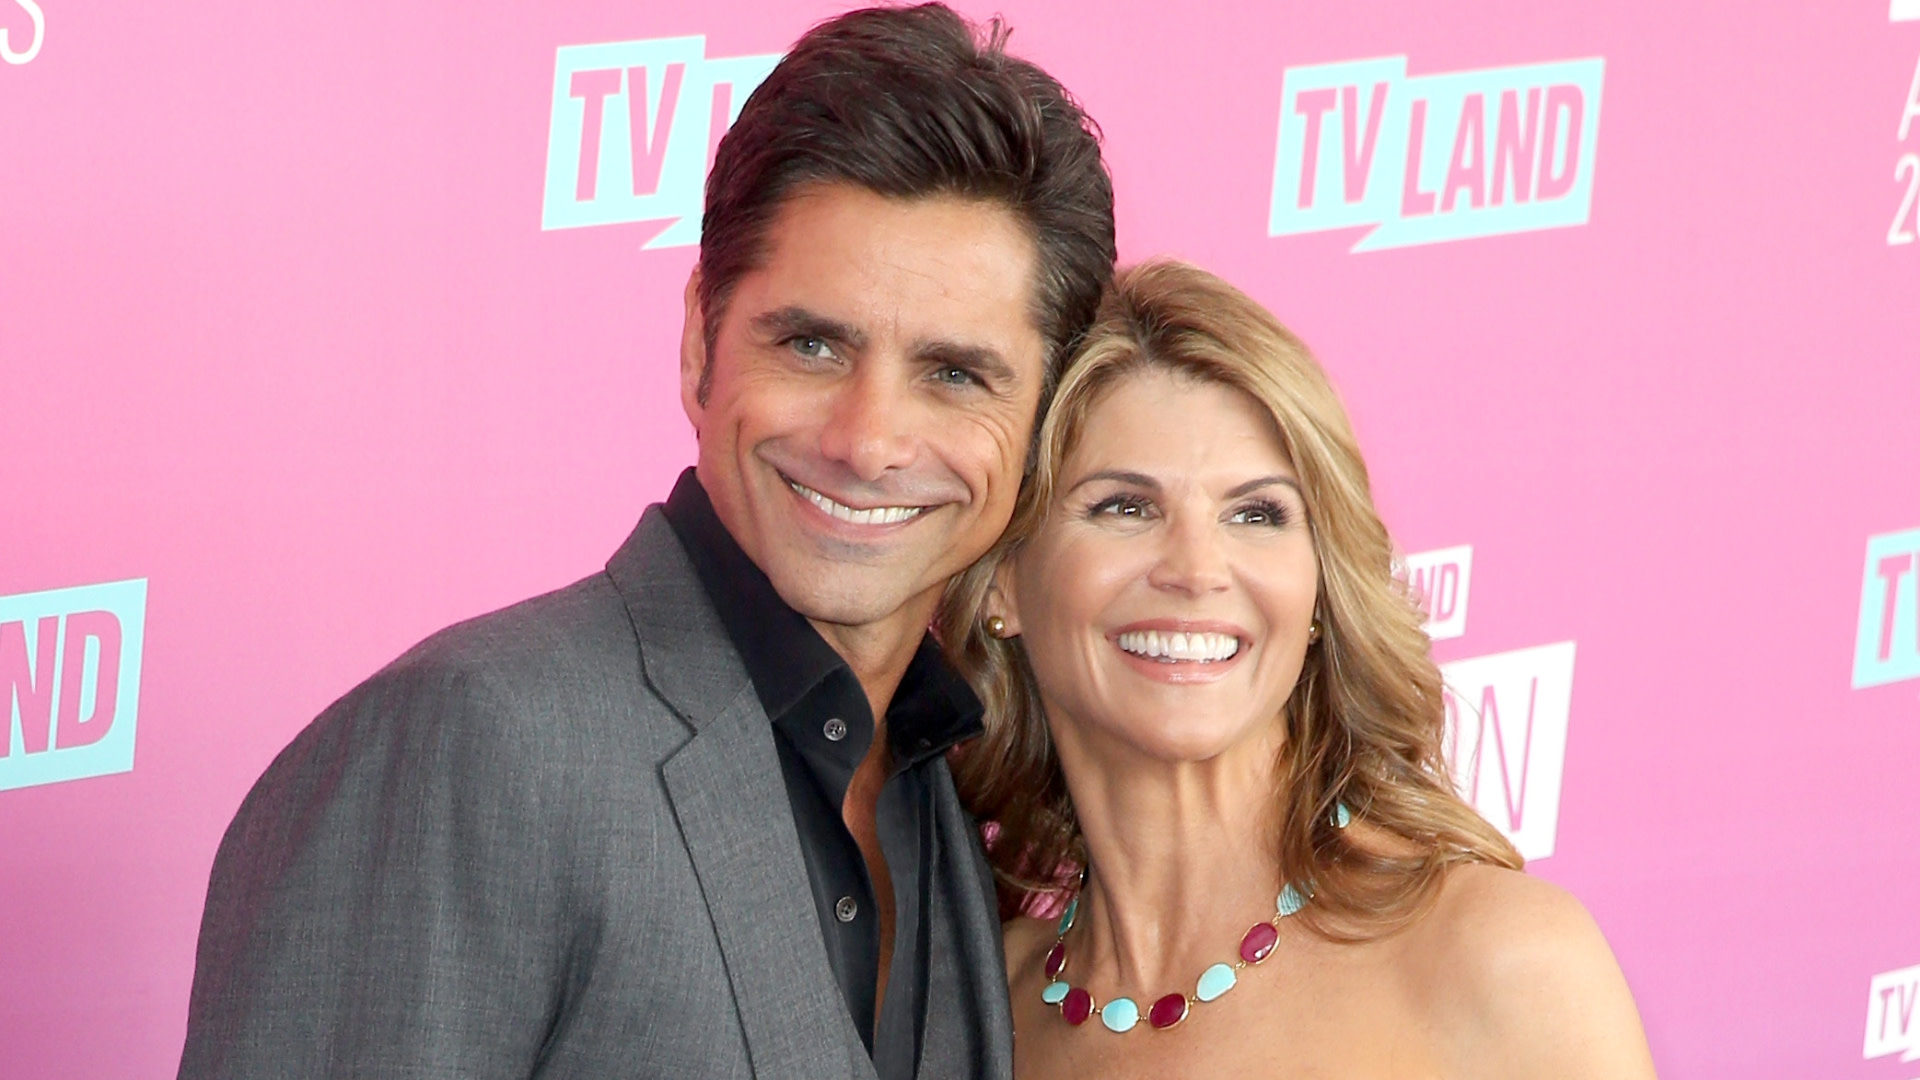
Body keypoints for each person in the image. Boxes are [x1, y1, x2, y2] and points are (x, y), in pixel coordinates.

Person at [176, 6, 1114, 1079]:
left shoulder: (940, 788)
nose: (868, 440)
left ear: (1041, 423)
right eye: (811, 345)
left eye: (955, 374)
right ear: (697, 342)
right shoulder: (470, 747)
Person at [937, 261, 1656, 1079]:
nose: (1197, 570)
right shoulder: (977, 1010)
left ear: (1317, 591)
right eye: (1125, 507)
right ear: (1002, 581)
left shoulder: (1500, 963)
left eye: (1257, 514)